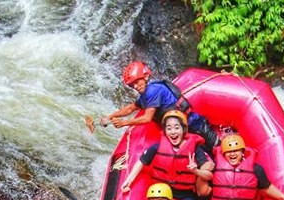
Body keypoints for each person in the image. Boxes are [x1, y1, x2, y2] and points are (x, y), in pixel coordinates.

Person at [88, 61, 219, 153]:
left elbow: (147, 118)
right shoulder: (144, 94)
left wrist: (125, 123)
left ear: (145, 77)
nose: (136, 86)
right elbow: (130, 108)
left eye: (137, 82)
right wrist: (110, 116)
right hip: (179, 128)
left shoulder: (153, 91)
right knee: (200, 152)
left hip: (193, 124)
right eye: (132, 85)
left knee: (215, 146)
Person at [196, 132, 284, 200]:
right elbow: (202, 192)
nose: (232, 154)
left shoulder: (255, 169)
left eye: (236, 151)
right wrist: (199, 171)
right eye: (229, 151)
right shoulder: (215, 167)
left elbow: (266, 188)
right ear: (223, 154)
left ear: (242, 152)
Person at [120, 110, 212, 200]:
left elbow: (209, 176)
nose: (173, 132)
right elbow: (141, 161)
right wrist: (129, 180)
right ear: (165, 131)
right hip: (161, 192)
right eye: (169, 128)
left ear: (183, 129)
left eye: (177, 128)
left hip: (185, 195)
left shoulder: (195, 149)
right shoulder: (157, 146)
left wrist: (196, 171)